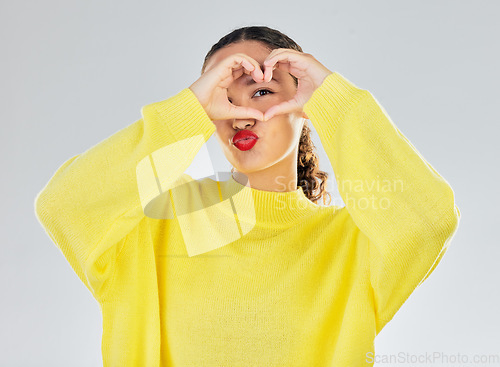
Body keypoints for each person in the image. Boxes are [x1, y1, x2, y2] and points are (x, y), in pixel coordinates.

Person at [34, 25, 460, 366]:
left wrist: (336, 101)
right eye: (223, 98)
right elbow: (63, 206)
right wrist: (188, 113)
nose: (240, 117)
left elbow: (430, 220)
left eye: (262, 93)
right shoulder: (155, 224)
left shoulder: (353, 246)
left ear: (302, 106)